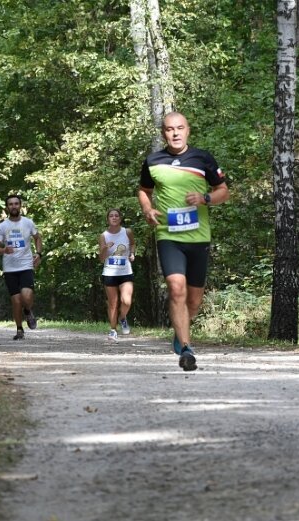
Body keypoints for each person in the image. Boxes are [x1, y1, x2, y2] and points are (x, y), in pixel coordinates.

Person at [138, 111, 230, 371]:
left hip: (198, 236)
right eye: (169, 129)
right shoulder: (153, 161)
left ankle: (180, 331)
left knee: (194, 301)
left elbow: (224, 191)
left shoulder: (202, 158)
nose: (175, 133)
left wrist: (205, 199)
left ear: (188, 130)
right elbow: (144, 191)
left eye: (180, 128)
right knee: (176, 287)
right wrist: (147, 209)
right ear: (163, 133)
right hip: (168, 234)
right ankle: (187, 348)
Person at [0, 194, 43, 340]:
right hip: (10, 268)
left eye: (16, 204)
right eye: (10, 204)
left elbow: (38, 238)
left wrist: (39, 254)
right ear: (7, 207)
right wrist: (3, 250)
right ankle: (19, 329)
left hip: (26, 265)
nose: (13, 206)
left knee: (26, 296)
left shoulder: (28, 223)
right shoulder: (3, 226)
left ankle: (28, 310)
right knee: (16, 300)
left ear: (20, 206)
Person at [99, 208, 136, 342]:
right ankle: (113, 330)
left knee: (126, 300)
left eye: (116, 216)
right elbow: (101, 259)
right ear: (108, 219)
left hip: (125, 271)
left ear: (120, 218)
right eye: (111, 216)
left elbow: (132, 244)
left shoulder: (127, 232)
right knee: (113, 303)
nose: (114, 218)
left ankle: (122, 317)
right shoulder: (104, 236)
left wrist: (132, 253)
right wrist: (104, 247)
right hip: (109, 272)